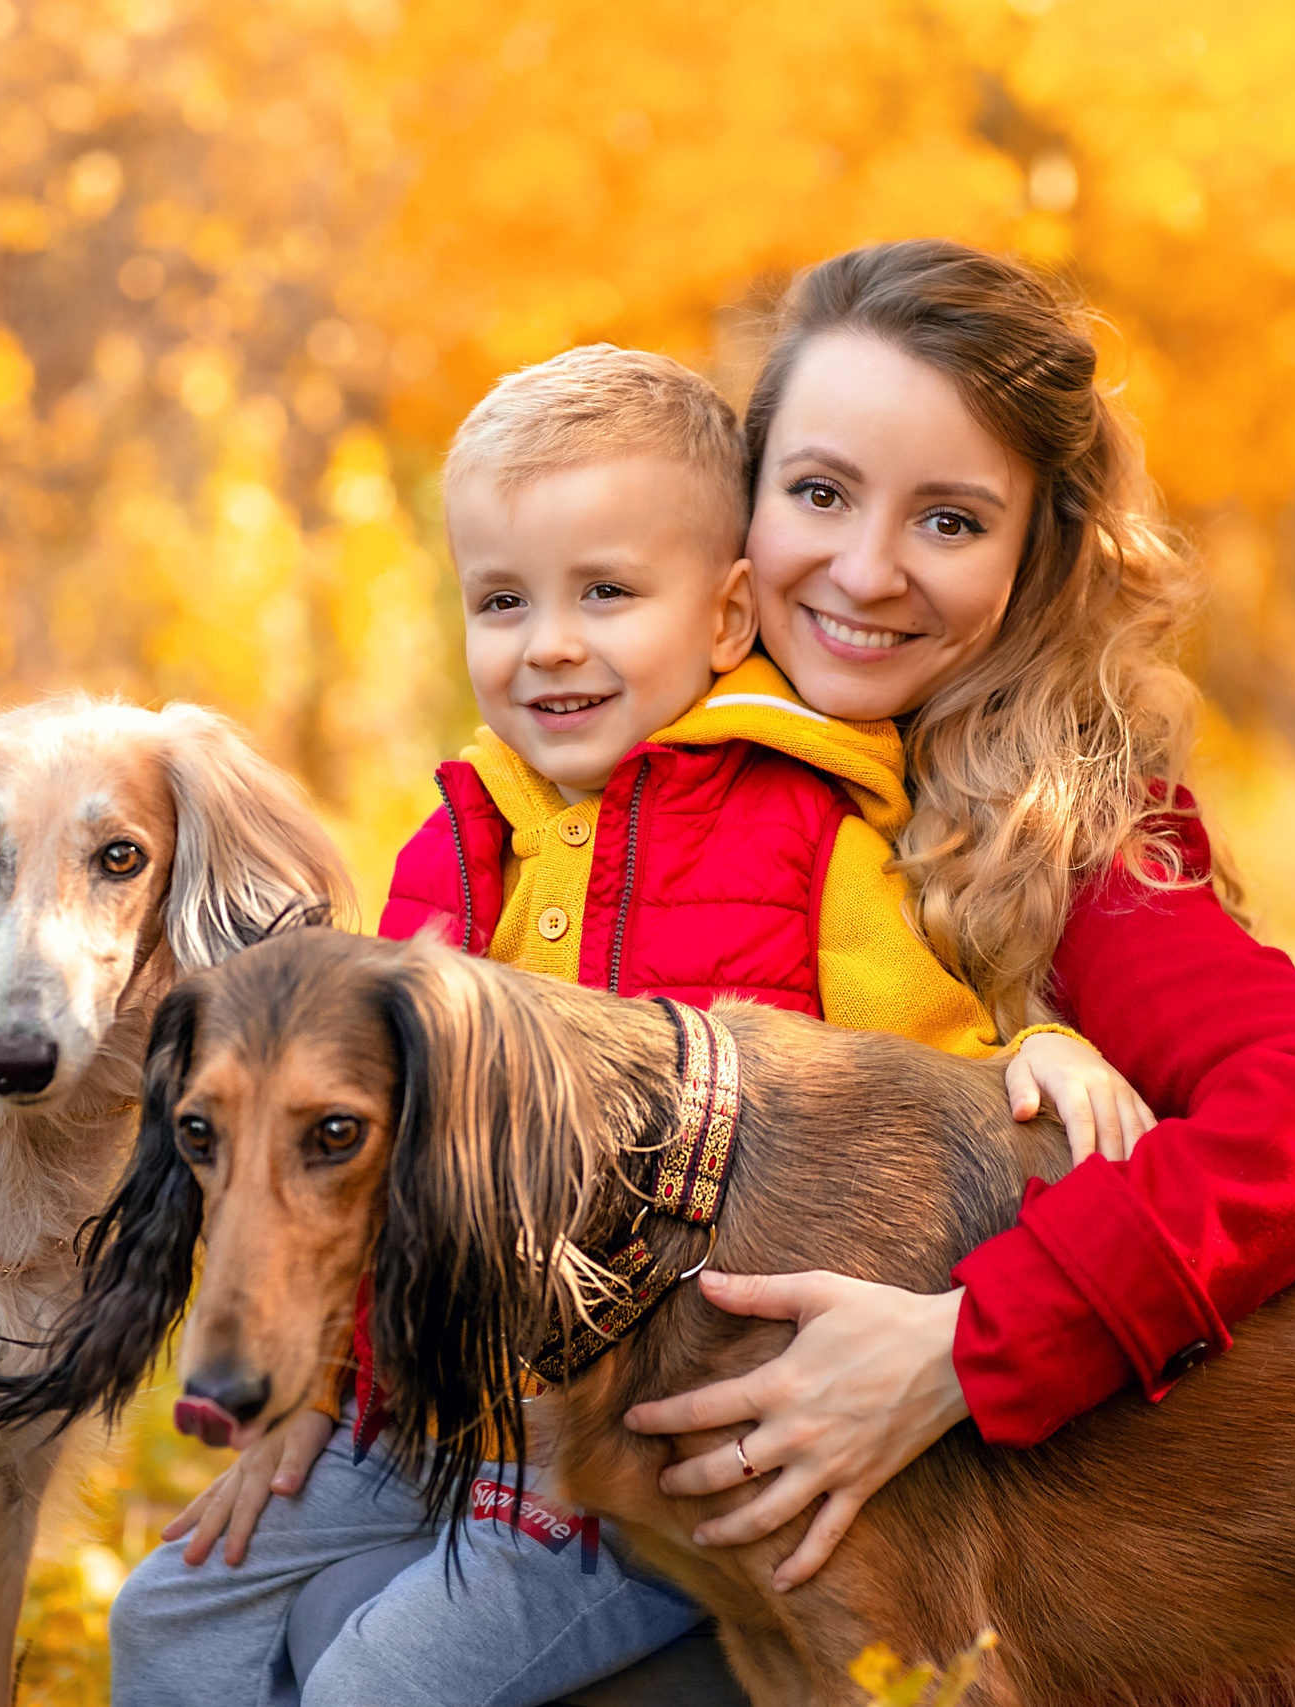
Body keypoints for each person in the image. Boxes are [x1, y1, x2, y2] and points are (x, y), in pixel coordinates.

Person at [104, 341, 1159, 1707]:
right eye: (501, 601)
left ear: (726, 619)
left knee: (379, 1680)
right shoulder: (451, 858)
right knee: (166, 1618)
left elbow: (926, 1092)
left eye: (604, 594)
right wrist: (311, 1399)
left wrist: (1037, 1048)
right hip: (425, 1410)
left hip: (645, 1430)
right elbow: (363, 1173)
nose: (548, 643)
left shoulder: (806, 834)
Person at [618, 239, 1295, 1620]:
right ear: (739, 502)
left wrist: (969, 1345)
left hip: (987, 1608)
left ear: (1036, 552)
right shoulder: (637, 761)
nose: (867, 571)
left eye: (949, 521)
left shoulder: (1064, 836)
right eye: (820, 494)